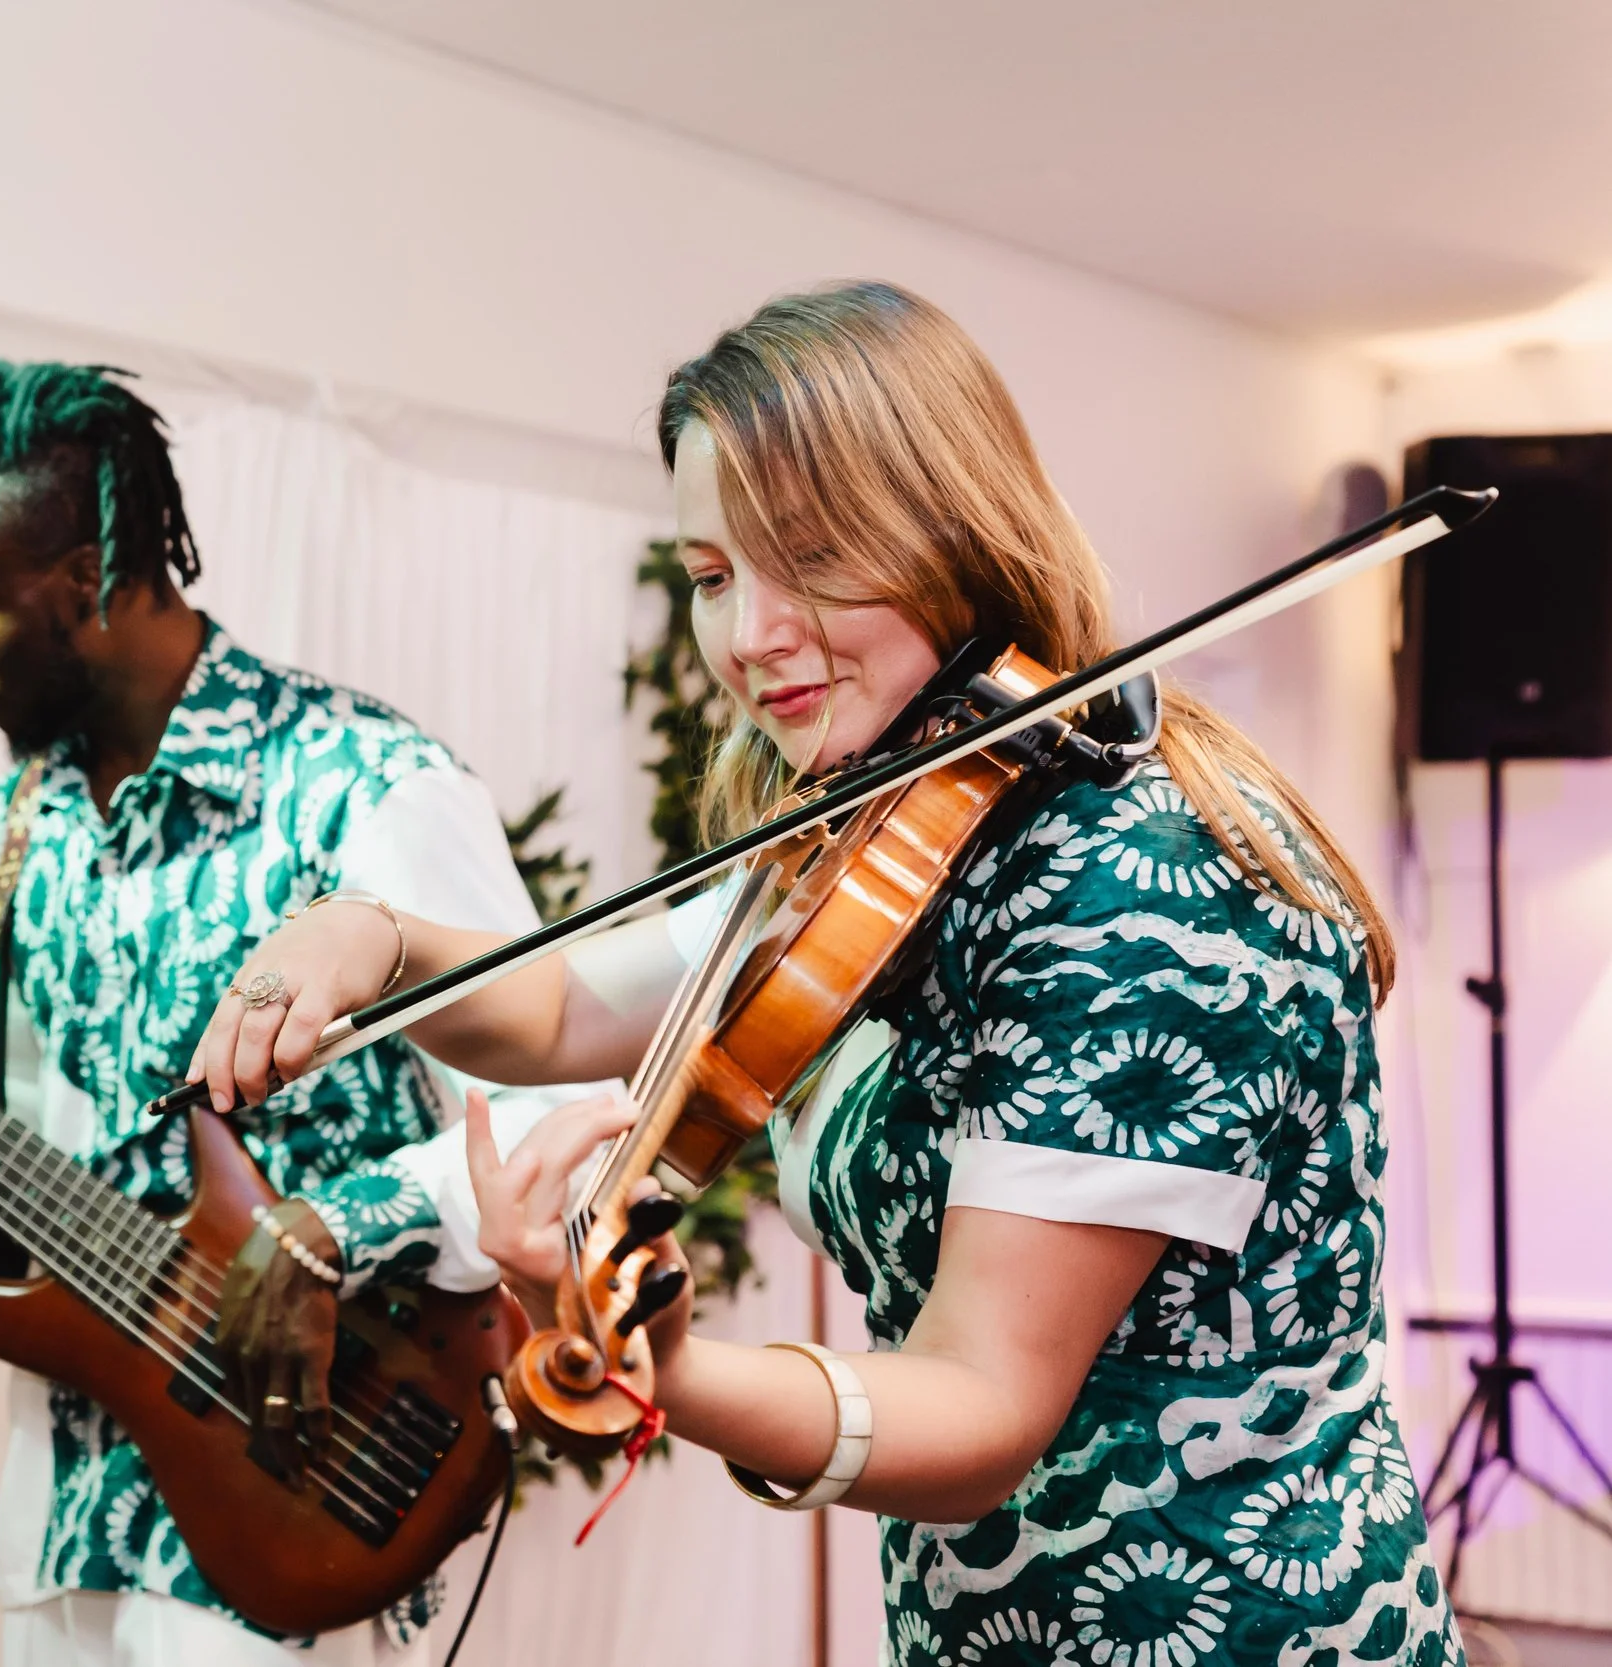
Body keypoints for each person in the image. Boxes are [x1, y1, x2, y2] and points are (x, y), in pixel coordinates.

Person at [191, 283, 1466, 1667]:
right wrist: (367, 936)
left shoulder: (1144, 880)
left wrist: (670, 1374)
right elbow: (559, 1006)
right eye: (710, 576)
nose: (747, 637)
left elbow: (983, 1404)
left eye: (804, 556)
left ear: (951, 523)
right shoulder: (874, 826)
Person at [0, 360, 575, 1665]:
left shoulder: (365, 782)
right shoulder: (15, 828)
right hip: (71, 1498)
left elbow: (556, 1122)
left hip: (303, 1483)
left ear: (84, 576)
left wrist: (327, 1228)